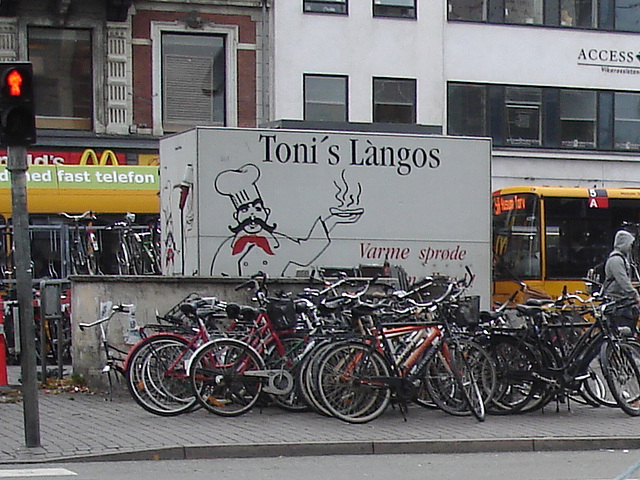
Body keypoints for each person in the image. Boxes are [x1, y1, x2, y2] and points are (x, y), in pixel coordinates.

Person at [602, 229, 640, 333]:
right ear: (623, 243)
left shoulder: (622, 259)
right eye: (629, 244)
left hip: (621, 301)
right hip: (617, 303)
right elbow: (622, 280)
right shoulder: (616, 260)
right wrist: (634, 294)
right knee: (622, 331)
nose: (630, 248)